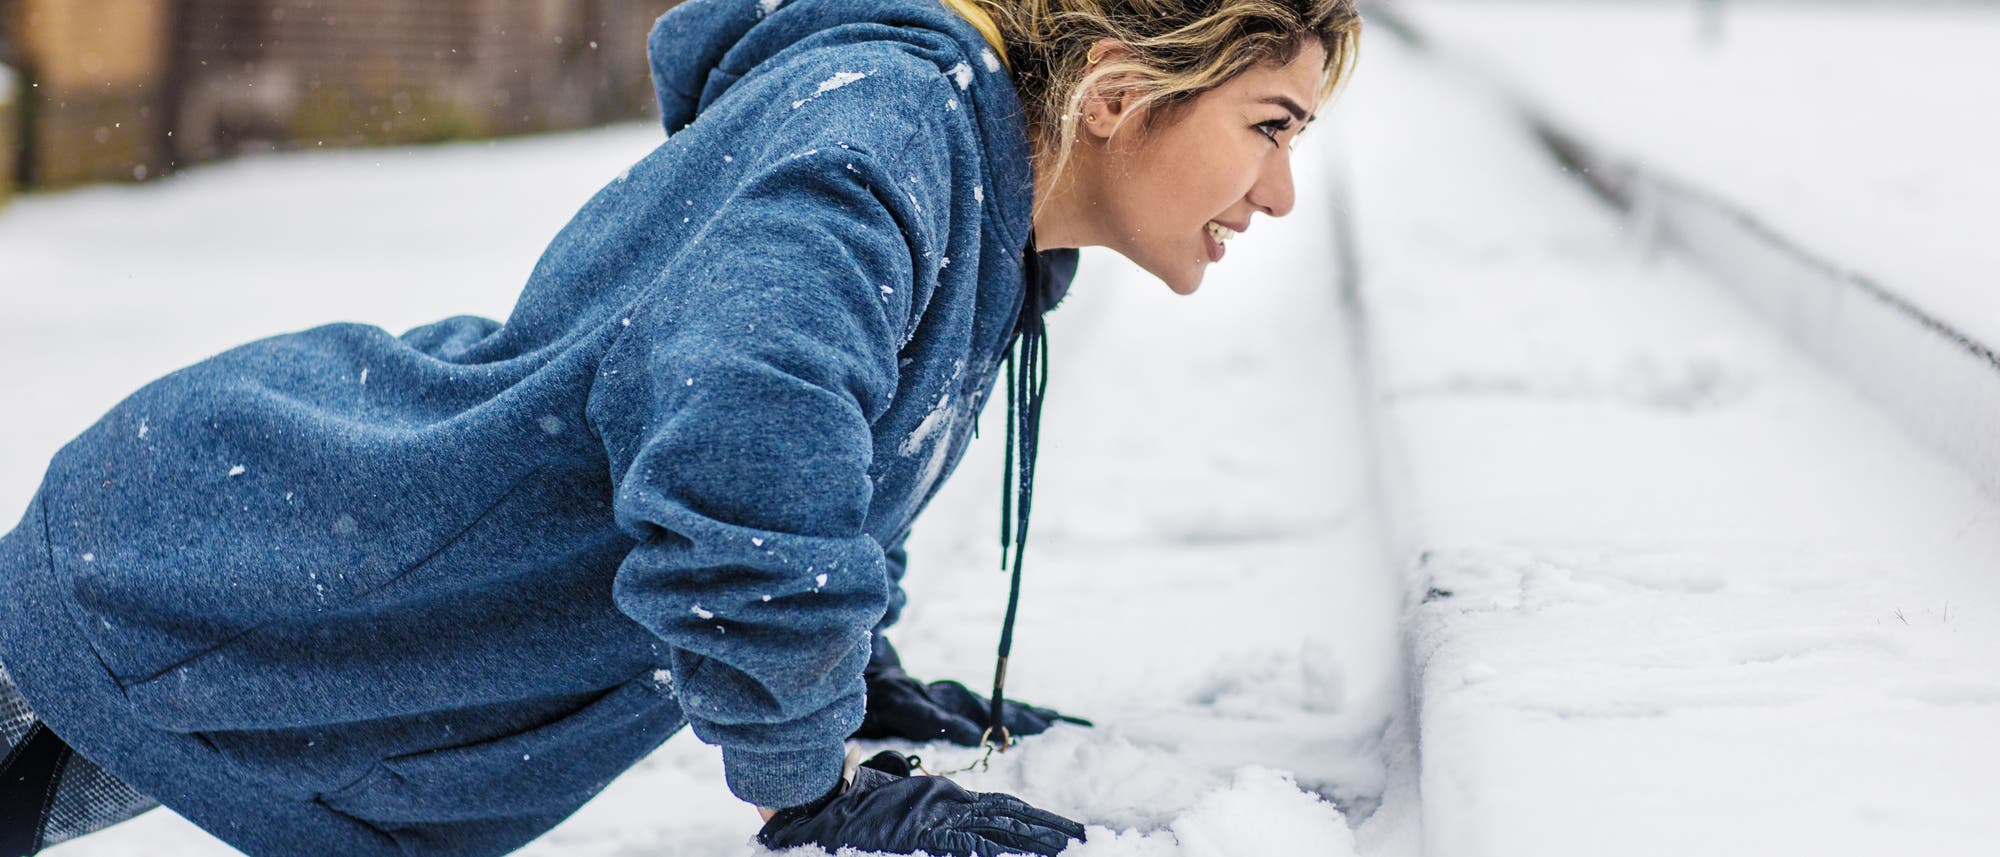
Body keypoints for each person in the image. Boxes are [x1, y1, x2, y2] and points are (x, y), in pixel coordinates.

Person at [0, 0, 1360, 853]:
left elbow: (807, 438)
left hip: (312, 583)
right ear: (1119, 94)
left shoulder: (953, 177)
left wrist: (848, 669)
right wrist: (810, 784)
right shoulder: (886, 142)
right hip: (240, 574)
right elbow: (736, 438)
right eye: (1271, 123)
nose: (1284, 190)